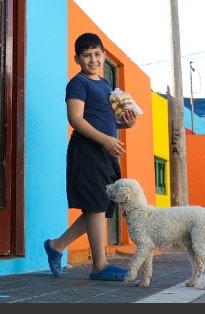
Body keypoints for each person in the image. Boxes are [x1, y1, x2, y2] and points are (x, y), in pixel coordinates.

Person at [44, 32, 138, 281]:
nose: (93, 60)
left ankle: (56, 246)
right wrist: (106, 140)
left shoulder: (105, 85)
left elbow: (107, 121)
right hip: (87, 151)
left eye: (97, 54)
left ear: (104, 56)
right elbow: (76, 119)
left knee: (100, 206)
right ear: (77, 59)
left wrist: (126, 124)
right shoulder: (78, 83)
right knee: (96, 205)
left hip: (105, 152)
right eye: (87, 55)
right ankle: (100, 265)